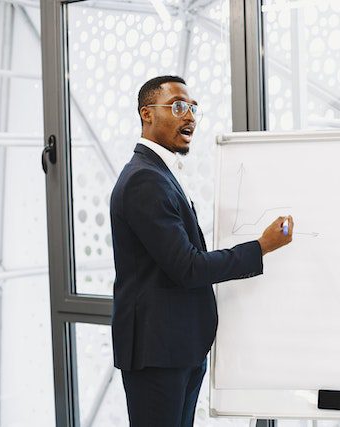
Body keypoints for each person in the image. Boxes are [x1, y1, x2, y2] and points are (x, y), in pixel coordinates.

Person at [110, 75, 294, 427]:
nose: (190, 116)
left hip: (177, 348)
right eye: (178, 106)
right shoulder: (143, 179)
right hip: (158, 353)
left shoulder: (159, 173)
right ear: (147, 114)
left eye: (193, 108)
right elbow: (188, 267)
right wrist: (262, 246)